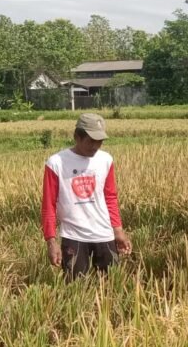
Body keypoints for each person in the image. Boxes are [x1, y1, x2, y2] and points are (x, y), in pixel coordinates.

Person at [41, 113, 131, 280]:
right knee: (76, 289)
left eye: (100, 141)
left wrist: (118, 230)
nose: (95, 146)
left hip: (104, 233)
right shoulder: (56, 163)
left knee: (111, 285)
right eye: (91, 141)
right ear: (77, 137)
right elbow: (48, 205)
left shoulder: (106, 160)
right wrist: (51, 242)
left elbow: (110, 197)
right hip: (73, 236)